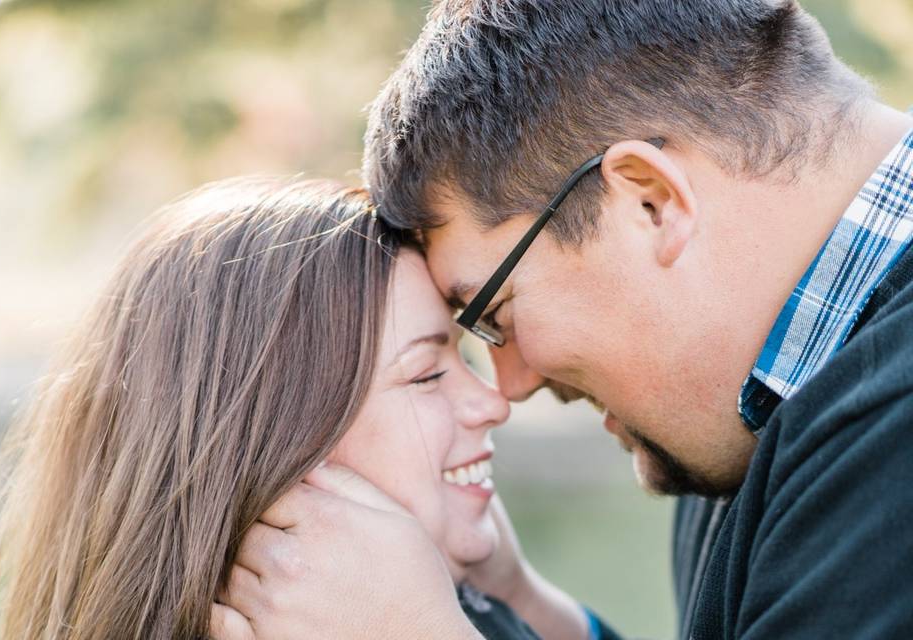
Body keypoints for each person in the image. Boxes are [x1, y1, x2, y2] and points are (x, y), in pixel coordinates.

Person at [210, 1, 913, 638]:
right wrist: (524, 606)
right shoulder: (750, 410)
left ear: (649, 203)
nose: (507, 387)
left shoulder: (890, 433)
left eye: (494, 311)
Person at [0, 178, 548, 639]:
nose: (492, 401)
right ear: (282, 444)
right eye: (426, 374)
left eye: (464, 357)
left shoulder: (464, 610)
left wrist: (512, 600)